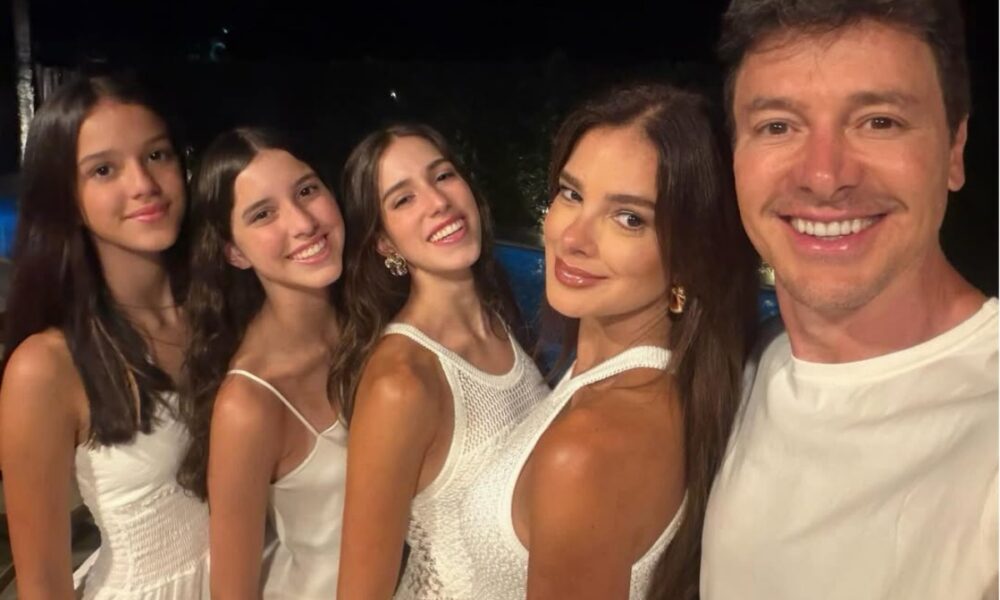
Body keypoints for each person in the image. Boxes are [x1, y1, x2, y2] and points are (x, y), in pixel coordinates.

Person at [701, 1, 998, 598]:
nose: (824, 176)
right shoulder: (745, 364)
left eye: (879, 121)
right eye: (778, 126)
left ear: (954, 150)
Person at [460, 83, 758, 600]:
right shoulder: (641, 386)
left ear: (690, 257)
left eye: (629, 218)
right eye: (571, 194)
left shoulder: (589, 449)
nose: (572, 237)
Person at [0, 73, 209, 598]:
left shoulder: (223, 313)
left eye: (156, 155)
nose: (142, 183)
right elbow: (42, 585)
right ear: (66, 196)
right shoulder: (46, 367)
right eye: (103, 169)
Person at [332, 123, 549, 599]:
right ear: (384, 243)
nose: (437, 202)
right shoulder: (401, 382)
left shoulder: (499, 321)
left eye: (443, 176)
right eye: (403, 199)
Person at [177, 128, 347, 599]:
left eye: (307, 191)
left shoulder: (372, 324)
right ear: (234, 252)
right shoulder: (249, 403)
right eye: (263, 214)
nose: (303, 222)